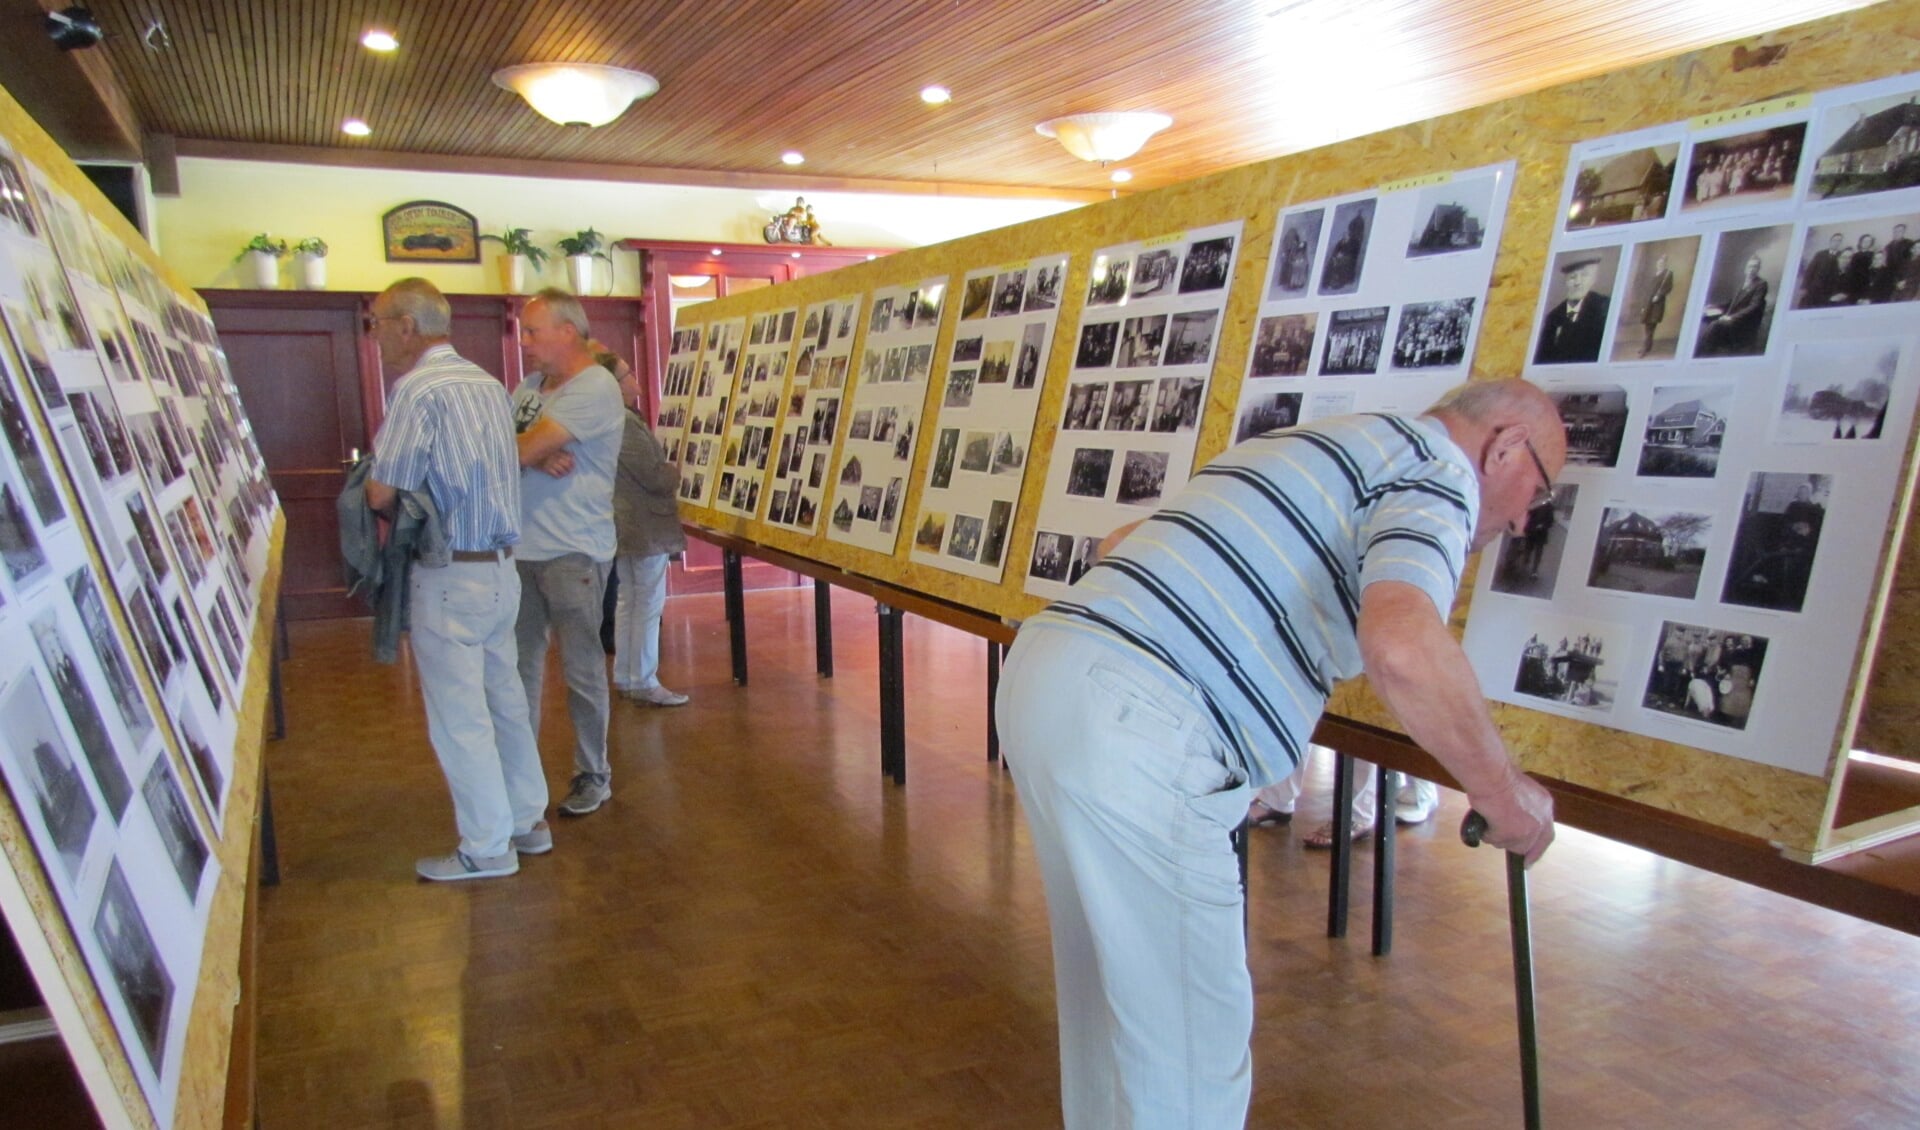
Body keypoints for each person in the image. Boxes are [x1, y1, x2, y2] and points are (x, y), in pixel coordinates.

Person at [996, 378, 1560, 1129]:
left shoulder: (1318, 443)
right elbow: (1401, 644)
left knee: (1115, 1005)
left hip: (1051, 675)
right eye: (1539, 493)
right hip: (1141, 724)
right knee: (1192, 1051)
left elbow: (1122, 545)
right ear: (1506, 446)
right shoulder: (1438, 470)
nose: (1524, 519)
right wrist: (1505, 796)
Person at [364, 278, 549, 881]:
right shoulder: (489, 383)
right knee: (507, 704)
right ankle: (527, 821)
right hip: (501, 570)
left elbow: (382, 488)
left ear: (406, 326)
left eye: (378, 324)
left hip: (449, 577)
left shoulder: (416, 389)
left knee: (460, 716)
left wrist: (371, 484)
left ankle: (487, 847)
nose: (376, 337)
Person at [512, 289, 626, 817]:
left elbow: (516, 448)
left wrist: (528, 452)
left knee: (581, 669)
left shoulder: (596, 386)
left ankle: (591, 773)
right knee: (520, 669)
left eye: (534, 330)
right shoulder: (530, 387)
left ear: (568, 331)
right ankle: (519, 776)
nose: (525, 341)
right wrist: (533, 456)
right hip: (520, 549)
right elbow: (507, 447)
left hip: (573, 552)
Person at [602, 344, 689, 706]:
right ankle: (644, 678)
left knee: (630, 600)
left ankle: (628, 674)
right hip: (643, 526)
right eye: (627, 374)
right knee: (646, 602)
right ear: (616, 385)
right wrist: (676, 470)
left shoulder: (614, 419)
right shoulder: (623, 422)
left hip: (629, 524)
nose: (634, 379)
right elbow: (654, 476)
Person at [1534, 255, 1610, 363]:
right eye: (1572, 277)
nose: (1577, 282)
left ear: (1593, 279)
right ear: (1565, 281)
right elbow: (1543, 357)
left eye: (1584, 275)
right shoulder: (1553, 317)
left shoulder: (1604, 307)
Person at [1699, 254, 1769, 356]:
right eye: (1750, 266)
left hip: (1743, 323)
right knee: (1705, 318)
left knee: (1715, 325)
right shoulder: (1742, 285)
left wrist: (1732, 317)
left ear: (1758, 269)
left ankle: (1704, 353)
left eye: (1755, 266)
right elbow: (1731, 304)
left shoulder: (1761, 284)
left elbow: (1754, 307)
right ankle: (1704, 353)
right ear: (1746, 269)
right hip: (1731, 319)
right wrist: (1713, 307)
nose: (1752, 269)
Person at [1639, 254, 1673, 356]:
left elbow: (1668, 288)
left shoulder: (1668, 274)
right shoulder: (1655, 275)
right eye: (1658, 263)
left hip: (1656, 306)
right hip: (1648, 304)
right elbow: (1648, 291)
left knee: (1650, 328)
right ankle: (1647, 347)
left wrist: (1659, 296)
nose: (1659, 265)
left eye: (1662, 263)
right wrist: (1643, 306)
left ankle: (1645, 349)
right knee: (1647, 328)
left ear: (1664, 264)